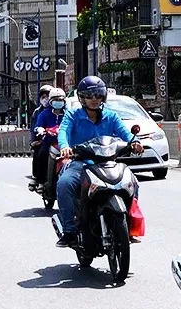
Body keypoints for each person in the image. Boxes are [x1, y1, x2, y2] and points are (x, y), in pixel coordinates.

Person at [55, 76, 143, 247]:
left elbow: (125, 133)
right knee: (64, 184)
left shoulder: (111, 116)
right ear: (82, 98)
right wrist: (65, 146)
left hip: (108, 163)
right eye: (89, 95)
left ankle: (129, 226)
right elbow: (63, 131)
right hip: (80, 163)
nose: (94, 99)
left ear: (103, 97)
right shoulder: (73, 115)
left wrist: (135, 142)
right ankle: (69, 231)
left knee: (133, 183)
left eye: (98, 95)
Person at [29, 87, 66, 191]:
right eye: (56, 100)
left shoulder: (68, 114)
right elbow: (37, 126)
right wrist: (40, 129)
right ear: (51, 101)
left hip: (64, 143)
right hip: (48, 141)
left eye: (60, 100)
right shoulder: (43, 113)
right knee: (42, 155)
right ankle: (40, 180)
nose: (58, 102)